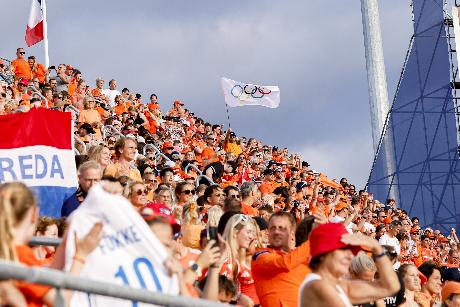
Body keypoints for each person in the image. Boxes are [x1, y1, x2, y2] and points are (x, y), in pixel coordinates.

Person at [0, 182, 103, 306]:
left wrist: (66, 240)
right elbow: (61, 302)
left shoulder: (11, 252)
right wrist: (80, 256)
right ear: (35, 214)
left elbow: (47, 279)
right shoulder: (21, 255)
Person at [299, 223, 400, 307]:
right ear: (322, 254)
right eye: (343, 250)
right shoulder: (317, 285)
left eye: (351, 251)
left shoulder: (339, 286)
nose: (350, 256)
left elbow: (392, 287)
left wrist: (377, 248)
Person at [251, 212, 311, 307]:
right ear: (268, 232)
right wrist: (316, 239)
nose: (276, 232)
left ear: (292, 234)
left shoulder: (300, 257)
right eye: (273, 228)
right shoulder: (260, 255)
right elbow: (284, 263)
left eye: (282, 228)